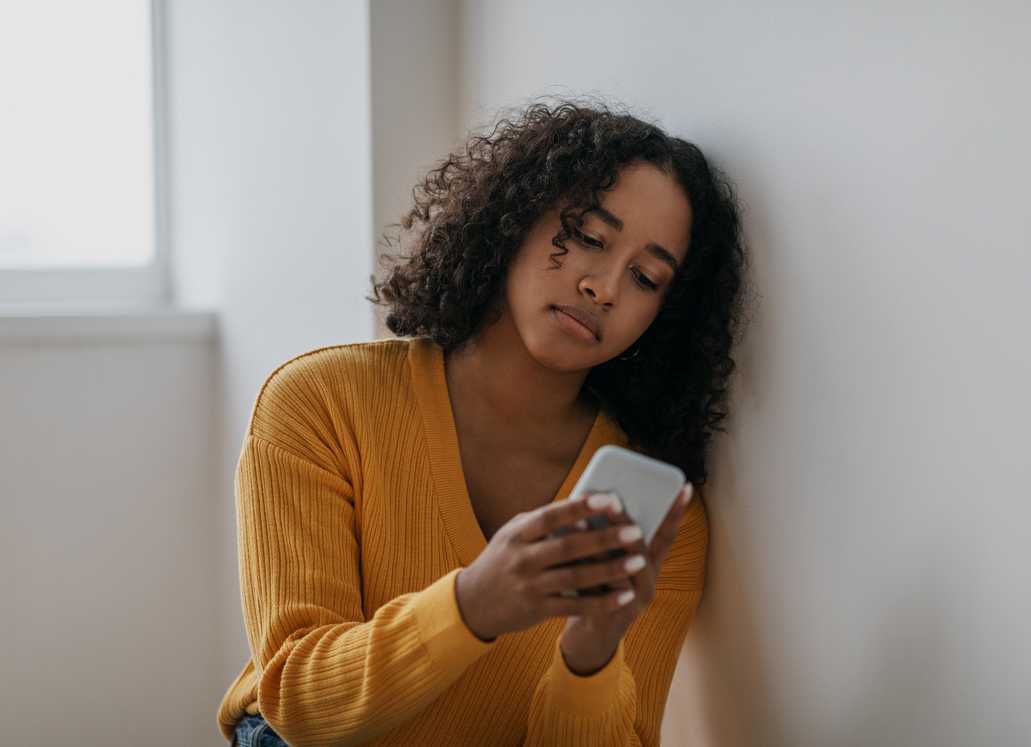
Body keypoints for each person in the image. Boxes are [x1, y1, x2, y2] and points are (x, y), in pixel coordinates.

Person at [217, 95, 752, 746]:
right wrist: (474, 604)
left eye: (644, 277)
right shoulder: (319, 401)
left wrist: (592, 653)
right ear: (516, 218)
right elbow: (300, 702)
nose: (605, 287)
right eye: (588, 237)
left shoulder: (663, 522)